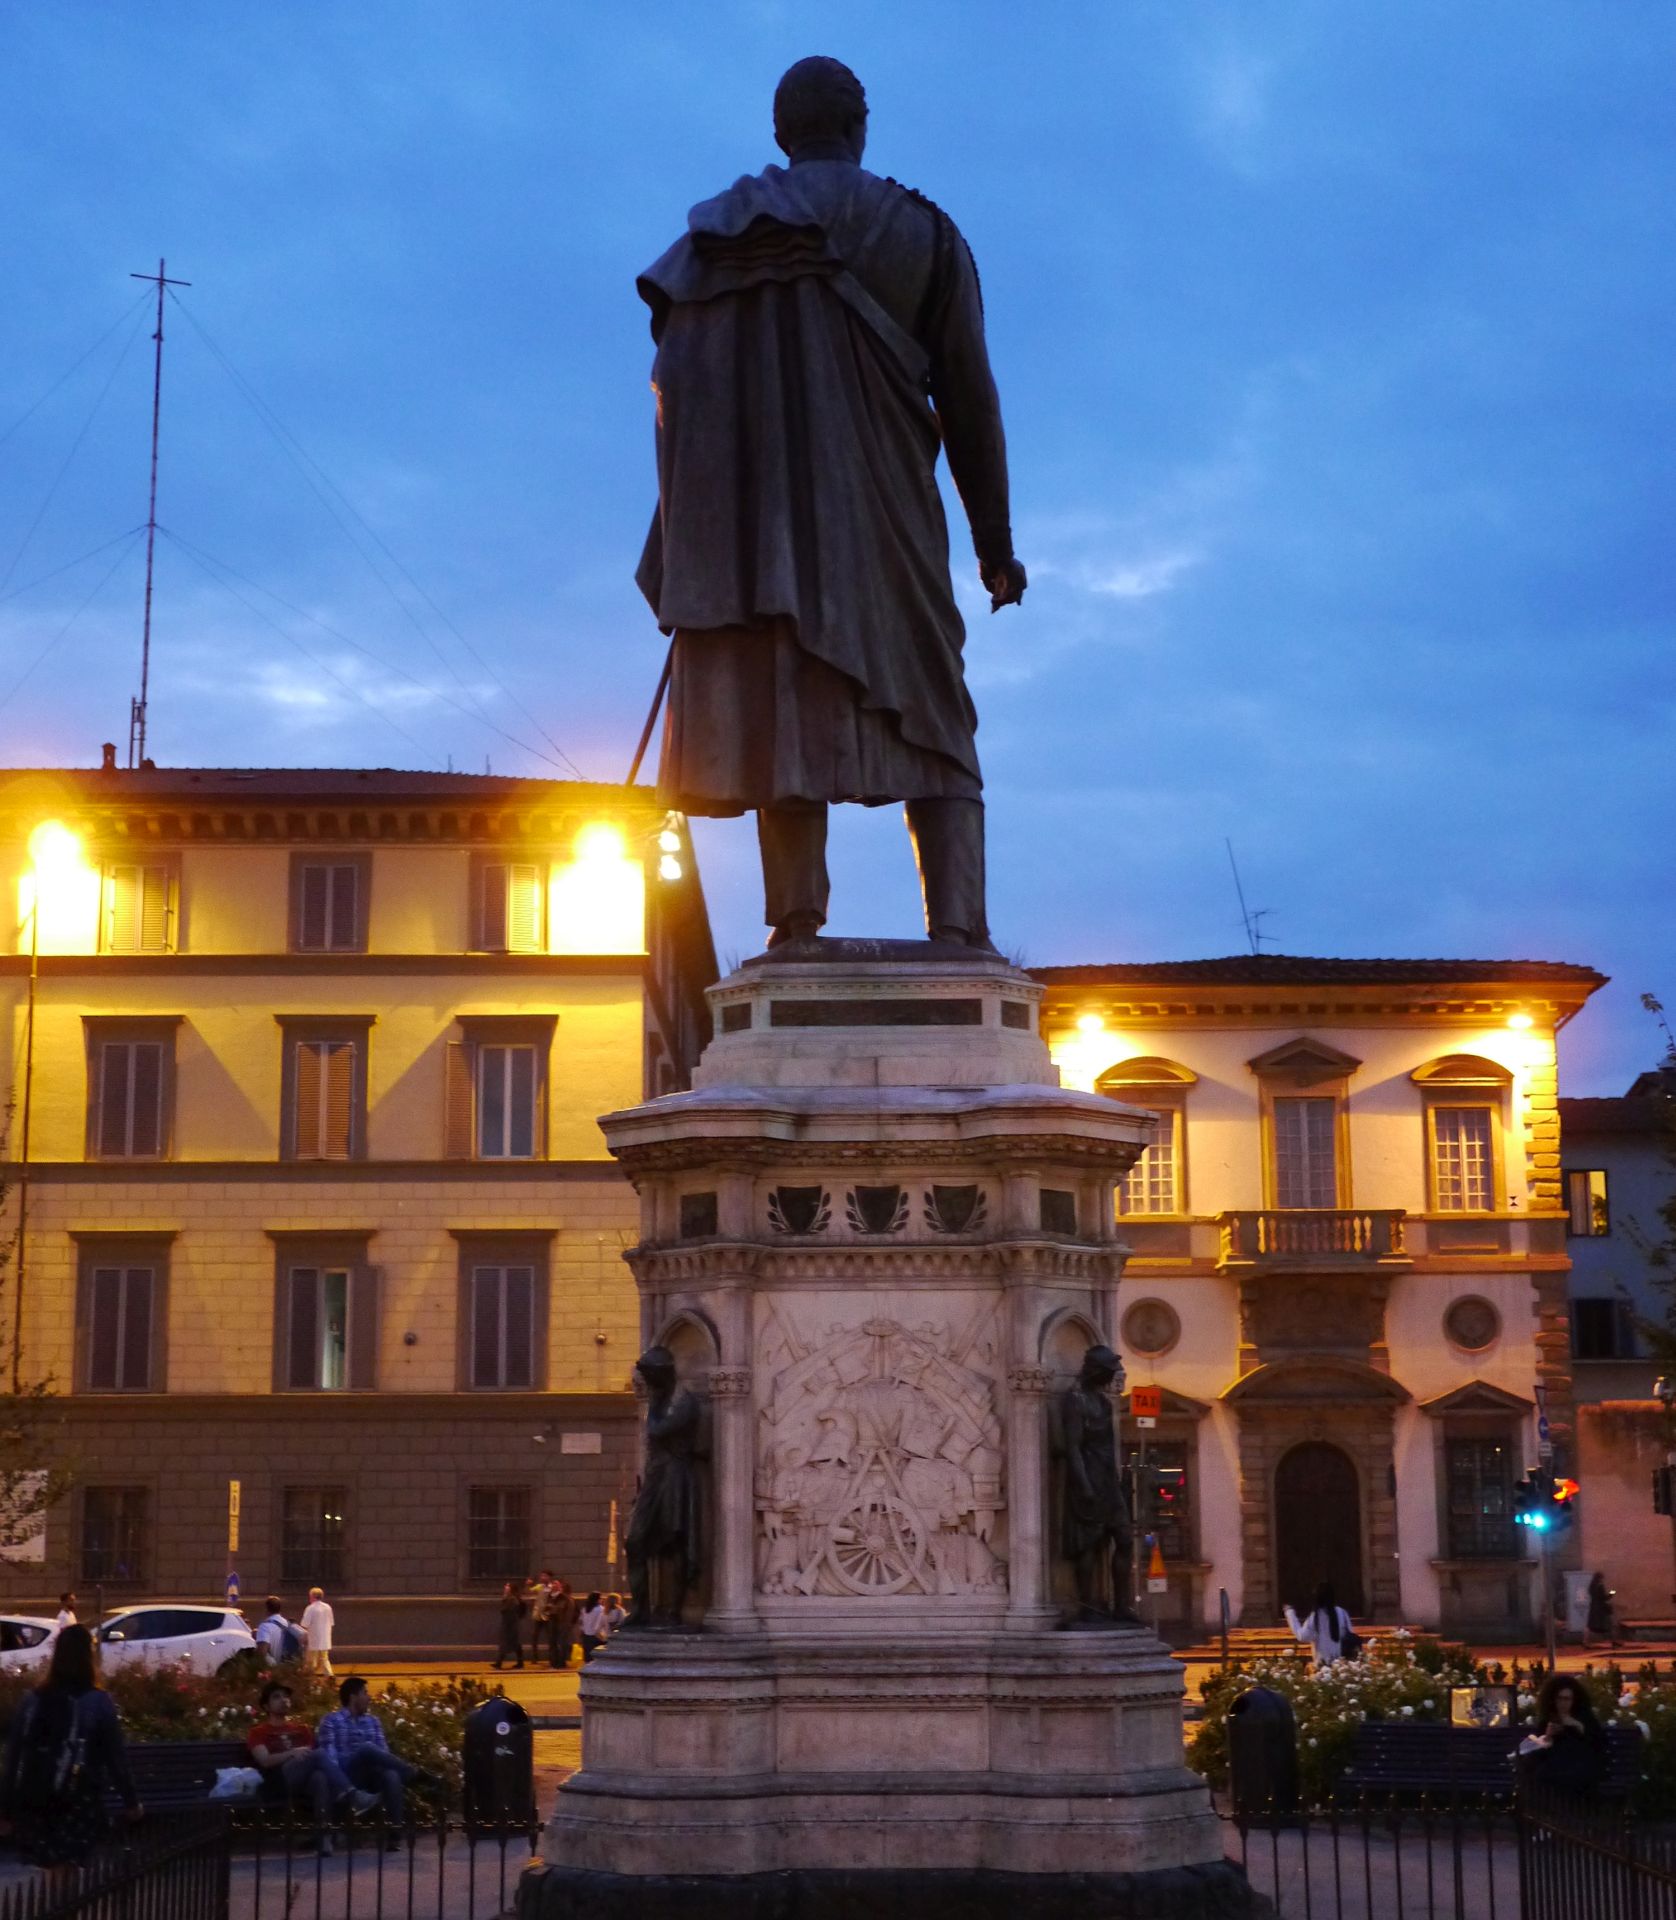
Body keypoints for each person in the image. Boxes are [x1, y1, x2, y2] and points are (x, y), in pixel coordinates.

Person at [636, 56, 1027, 949]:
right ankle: (960, 929)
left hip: (763, 532)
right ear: (859, 125)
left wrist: (699, 535)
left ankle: (796, 926)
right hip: (890, 518)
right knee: (937, 707)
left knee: (789, 698)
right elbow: (970, 394)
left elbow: (675, 392)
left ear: (782, 132)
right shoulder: (925, 234)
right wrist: (994, 541)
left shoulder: (715, 241)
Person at [0, 1624, 142, 1867]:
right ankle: (61, 1905)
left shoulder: (33, 1700)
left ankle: (57, 1904)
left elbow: (14, 1756)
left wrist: (6, 1810)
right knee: (66, 1867)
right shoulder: (98, 1702)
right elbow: (115, 1756)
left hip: (36, 1797)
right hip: (79, 1799)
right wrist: (130, 1801)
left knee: (55, 1866)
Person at [245, 1678, 377, 1855]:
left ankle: (324, 1839)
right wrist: (292, 1753)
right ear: (266, 1706)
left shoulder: (302, 1730)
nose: (284, 1700)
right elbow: (265, 1760)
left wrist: (303, 1755)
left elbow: (315, 1759)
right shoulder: (258, 1732)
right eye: (277, 1697)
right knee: (320, 1754)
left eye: (286, 1697)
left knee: (320, 1778)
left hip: (305, 1780)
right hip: (279, 1780)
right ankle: (353, 1795)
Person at [316, 1677, 431, 1847]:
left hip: (370, 1773)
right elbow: (330, 1755)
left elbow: (383, 1752)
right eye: (365, 1693)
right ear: (353, 1697)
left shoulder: (373, 1721)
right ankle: (413, 1773)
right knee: (366, 1748)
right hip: (346, 1773)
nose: (369, 1697)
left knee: (391, 1775)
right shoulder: (331, 1720)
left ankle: (394, 1834)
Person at [1519, 1673, 1607, 1797]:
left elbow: (1598, 1746)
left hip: (1580, 1766)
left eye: (1566, 1699)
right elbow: (1540, 1749)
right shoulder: (1548, 1719)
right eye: (1559, 1698)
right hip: (1554, 1766)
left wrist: (1578, 1726)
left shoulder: (1586, 1719)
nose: (1562, 1703)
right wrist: (1548, 1736)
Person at [1284, 1584, 1357, 1666]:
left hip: (1322, 1665)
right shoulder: (1342, 1613)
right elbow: (1350, 1634)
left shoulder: (1316, 1617)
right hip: (1342, 1665)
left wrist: (1290, 1614)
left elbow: (1302, 1636)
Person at [253, 1596, 299, 1667]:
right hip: (289, 1668)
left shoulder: (265, 1626)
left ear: (266, 1609)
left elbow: (262, 1652)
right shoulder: (287, 1624)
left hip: (273, 1671)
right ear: (280, 1609)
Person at [300, 1587, 335, 1677]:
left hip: (313, 1638)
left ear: (313, 1596)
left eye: (310, 1596)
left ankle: (308, 1679)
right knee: (324, 1658)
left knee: (311, 1661)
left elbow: (305, 1624)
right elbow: (331, 1623)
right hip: (325, 1638)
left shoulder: (310, 1608)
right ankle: (329, 1676)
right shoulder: (328, 1607)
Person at [493, 1581, 526, 1671]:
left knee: (505, 1644)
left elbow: (504, 1610)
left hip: (510, 1625)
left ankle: (498, 1663)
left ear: (511, 1589)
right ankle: (520, 1663)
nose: (505, 1587)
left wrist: (504, 1598)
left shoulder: (511, 1600)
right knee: (515, 1644)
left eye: (507, 1586)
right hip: (510, 1624)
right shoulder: (511, 1599)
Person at [1584, 1571, 1620, 1649]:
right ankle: (1614, 1641)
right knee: (1610, 1624)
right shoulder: (1600, 1586)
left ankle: (1585, 1642)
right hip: (1601, 1609)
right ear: (1600, 1578)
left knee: (1590, 1626)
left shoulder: (1592, 1586)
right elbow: (1604, 1598)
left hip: (1593, 1609)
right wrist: (1612, 1593)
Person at [547, 1579, 575, 1670]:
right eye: (552, 1584)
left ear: (560, 1587)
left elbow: (562, 1609)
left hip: (562, 1623)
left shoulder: (564, 1598)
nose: (553, 1586)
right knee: (553, 1643)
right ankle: (554, 1662)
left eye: (556, 1584)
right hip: (553, 1623)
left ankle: (560, 1662)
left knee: (562, 1643)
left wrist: (552, 1608)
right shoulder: (550, 1596)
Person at [528, 1571, 555, 1663]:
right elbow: (530, 1590)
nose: (542, 1577)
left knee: (550, 1637)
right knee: (534, 1636)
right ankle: (535, 1657)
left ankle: (551, 1657)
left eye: (545, 1576)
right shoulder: (540, 1586)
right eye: (542, 1576)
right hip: (538, 1615)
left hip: (547, 1616)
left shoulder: (552, 1587)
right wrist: (529, 1585)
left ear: (549, 1577)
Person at [577, 1593, 608, 1662]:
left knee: (588, 1656)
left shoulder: (585, 1609)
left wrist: (582, 1630)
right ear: (597, 1600)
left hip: (586, 1634)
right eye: (600, 1598)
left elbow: (581, 1621)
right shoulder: (601, 1609)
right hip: (597, 1635)